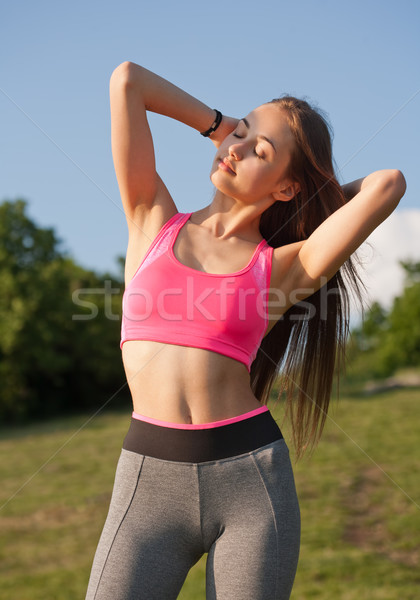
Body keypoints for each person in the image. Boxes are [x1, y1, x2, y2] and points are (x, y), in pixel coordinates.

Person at [85, 61, 406, 600]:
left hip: (250, 483)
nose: (236, 147)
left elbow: (387, 184)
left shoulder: (281, 269)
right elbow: (127, 82)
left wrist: (313, 204)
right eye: (242, 131)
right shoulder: (150, 219)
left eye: (260, 150)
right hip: (146, 485)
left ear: (286, 189)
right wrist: (220, 125)